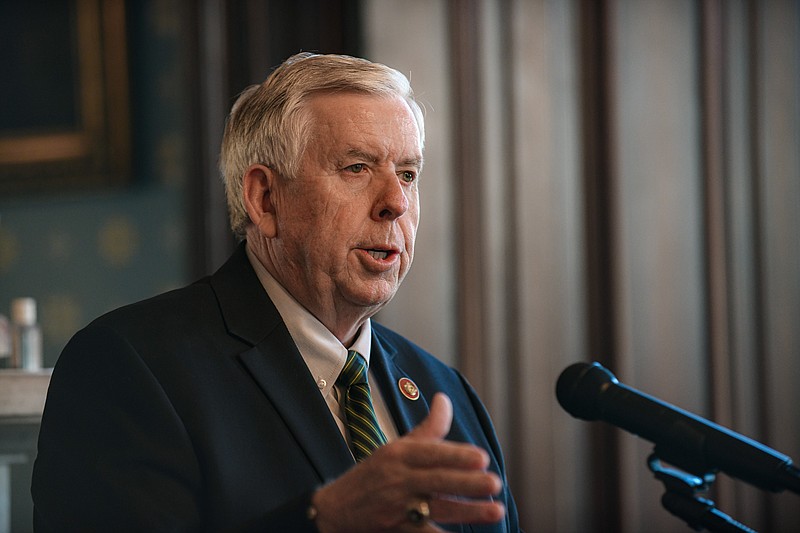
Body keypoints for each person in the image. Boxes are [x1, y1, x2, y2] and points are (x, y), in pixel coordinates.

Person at [32, 53, 520, 532]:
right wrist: (323, 521)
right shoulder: (129, 367)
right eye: (357, 168)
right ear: (265, 198)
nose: (395, 202)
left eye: (408, 174)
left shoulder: (444, 390)